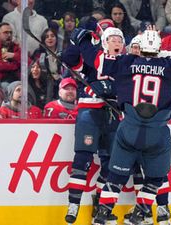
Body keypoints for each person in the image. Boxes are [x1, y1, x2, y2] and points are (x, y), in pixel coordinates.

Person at [70, 25, 171, 225]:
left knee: (115, 177)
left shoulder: (125, 62)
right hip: (156, 133)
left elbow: (94, 59)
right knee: (156, 178)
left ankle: (103, 214)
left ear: (139, 47)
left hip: (128, 130)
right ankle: (141, 212)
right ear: (159, 47)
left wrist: (82, 40)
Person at [61, 27, 124, 224]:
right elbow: (69, 59)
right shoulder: (92, 58)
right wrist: (78, 40)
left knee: (111, 163)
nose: (117, 43)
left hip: (113, 114)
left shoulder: (125, 62)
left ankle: (99, 199)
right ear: (104, 42)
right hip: (89, 111)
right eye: (113, 39)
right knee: (82, 158)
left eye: (120, 40)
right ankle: (74, 204)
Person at [0, 22, 24, 91]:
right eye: (5, 32)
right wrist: (16, 65)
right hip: (2, 81)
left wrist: (14, 55)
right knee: (6, 86)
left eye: (10, 33)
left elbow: (28, 61)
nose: (9, 35)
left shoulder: (16, 47)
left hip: (19, 79)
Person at [31, 28, 63, 104]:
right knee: (50, 80)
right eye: (47, 37)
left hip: (60, 79)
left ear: (56, 39)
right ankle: (48, 105)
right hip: (44, 80)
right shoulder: (39, 52)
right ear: (43, 40)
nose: (50, 38)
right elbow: (36, 68)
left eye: (52, 36)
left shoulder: (62, 53)